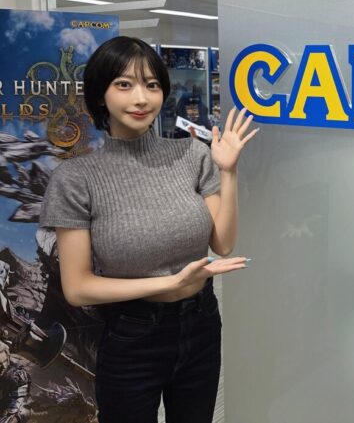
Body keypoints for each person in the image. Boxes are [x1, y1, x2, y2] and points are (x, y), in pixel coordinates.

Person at [38, 36, 258, 423]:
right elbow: (78, 287)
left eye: (151, 85)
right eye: (124, 84)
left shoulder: (192, 155)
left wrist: (228, 171)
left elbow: (223, 244)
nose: (141, 98)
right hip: (131, 337)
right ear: (100, 94)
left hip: (201, 324)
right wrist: (170, 283)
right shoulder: (76, 179)